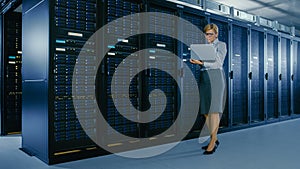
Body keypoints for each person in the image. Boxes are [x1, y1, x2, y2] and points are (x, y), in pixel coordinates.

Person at [190, 23, 227, 155]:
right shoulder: (204, 47)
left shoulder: (221, 45)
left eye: (210, 34)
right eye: (206, 34)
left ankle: (212, 142)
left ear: (216, 34)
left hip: (216, 77)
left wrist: (201, 62)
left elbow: (218, 63)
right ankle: (214, 138)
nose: (208, 36)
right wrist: (196, 60)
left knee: (214, 110)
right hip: (205, 77)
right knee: (206, 110)